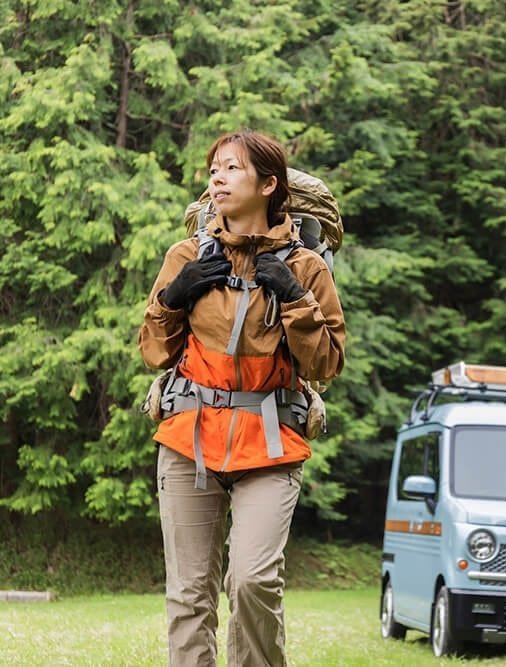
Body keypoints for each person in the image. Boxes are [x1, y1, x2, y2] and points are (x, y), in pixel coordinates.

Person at [139, 129, 345, 666]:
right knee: (188, 595)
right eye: (214, 168)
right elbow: (153, 353)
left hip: (271, 443)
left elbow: (326, 364)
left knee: (253, 581)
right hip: (189, 439)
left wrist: (295, 299)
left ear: (268, 184)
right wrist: (174, 295)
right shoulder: (186, 255)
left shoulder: (306, 268)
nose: (217, 177)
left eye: (231, 168)